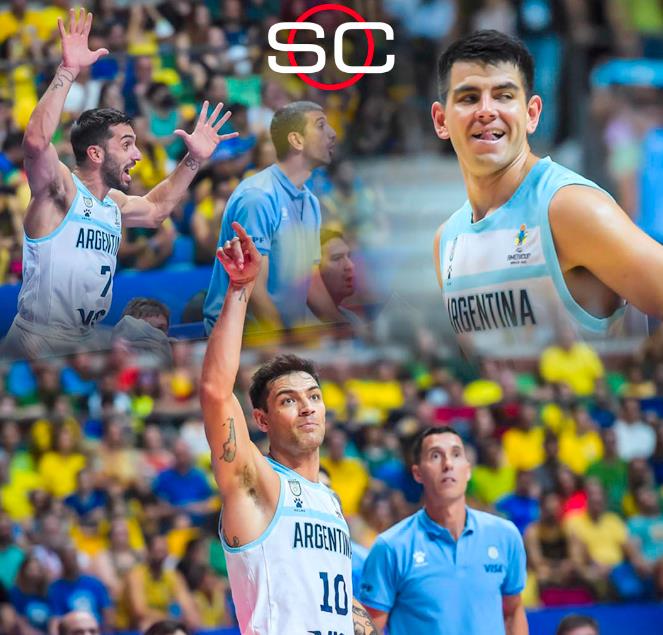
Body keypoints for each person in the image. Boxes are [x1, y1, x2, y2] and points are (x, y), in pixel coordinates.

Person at [1, 8, 238, 360]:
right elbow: (35, 142)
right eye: (127, 145)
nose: (138, 155)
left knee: (149, 340)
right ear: (95, 153)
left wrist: (194, 159)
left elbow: (156, 209)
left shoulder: (112, 204)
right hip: (39, 339)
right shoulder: (61, 191)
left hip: (80, 338)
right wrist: (68, 69)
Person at [432, 30, 657, 358]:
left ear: (532, 114)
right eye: (469, 98)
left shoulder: (570, 207)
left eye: (504, 96)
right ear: (441, 120)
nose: (486, 111)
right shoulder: (447, 240)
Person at [199, 222, 376, 634]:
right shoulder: (256, 481)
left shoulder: (329, 500)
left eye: (313, 396)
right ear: (262, 419)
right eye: (289, 400)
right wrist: (240, 289)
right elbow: (215, 392)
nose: (307, 407)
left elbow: (331, 600)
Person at [359, 426, 528, 635]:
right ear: (418, 473)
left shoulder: (505, 535)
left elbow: (513, 610)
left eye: (456, 454)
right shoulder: (391, 546)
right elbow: (370, 628)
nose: (448, 464)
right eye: (436, 456)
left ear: (468, 470)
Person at [202, 101, 342, 335]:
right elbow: (252, 288)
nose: (333, 133)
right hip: (239, 339)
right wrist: (289, 341)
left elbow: (309, 281)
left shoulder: (311, 202)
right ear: (296, 140)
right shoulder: (257, 198)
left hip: (282, 337)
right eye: (321, 125)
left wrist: (345, 327)